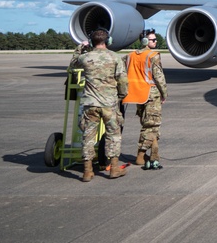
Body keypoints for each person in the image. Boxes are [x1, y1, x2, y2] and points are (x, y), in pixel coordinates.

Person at [69, 29, 128, 182]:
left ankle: (87, 172)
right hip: (109, 103)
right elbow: (122, 80)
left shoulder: (85, 57)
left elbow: (72, 66)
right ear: (108, 41)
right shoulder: (115, 57)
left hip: (90, 104)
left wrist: (81, 47)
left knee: (88, 137)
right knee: (113, 135)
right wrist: (121, 96)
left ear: (91, 41)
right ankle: (114, 169)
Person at [122, 29, 168, 170]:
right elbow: (159, 77)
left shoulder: (129, 56)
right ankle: (142, 155)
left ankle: (151, 154)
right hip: (150, 94)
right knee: (152, 126)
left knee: (147, 124)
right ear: (146, 42)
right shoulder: (153, 55)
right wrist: (164, 93)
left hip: (136, 95)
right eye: (153, 40)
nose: (156, 42)